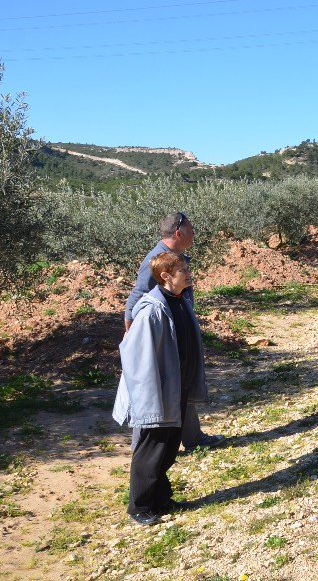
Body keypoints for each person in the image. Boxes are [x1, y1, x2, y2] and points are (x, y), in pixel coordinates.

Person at [113, 252, 209, 525]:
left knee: (167, 447)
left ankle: (160, 497)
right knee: (151, 449)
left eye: (187, 268)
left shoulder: (179, 301)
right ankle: (140, 507)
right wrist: (150, 396)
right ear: (166, 276)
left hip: (177, 388)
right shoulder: (152, 309)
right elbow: (137, 357)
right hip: (158, 392)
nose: (188, 273)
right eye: (182, 270)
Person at [124, 212, 223, 452]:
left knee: (183, 382)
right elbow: (136, 299)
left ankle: (192, 438)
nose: (194, 233)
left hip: (176, 332)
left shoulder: (175, 258)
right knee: (159, 390)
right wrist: (133, 340)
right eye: (191, 229)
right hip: (164, 337)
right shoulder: (157, 260)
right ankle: (147, 449)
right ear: (178, 233)